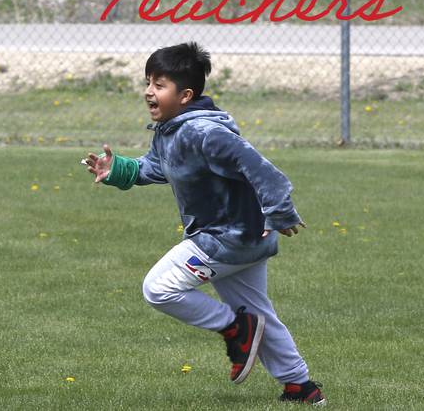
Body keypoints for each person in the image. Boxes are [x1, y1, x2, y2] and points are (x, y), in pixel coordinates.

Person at [82, 42, 326, 405]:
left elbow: (263, 171)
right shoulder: (172, 130)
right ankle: (301, 388)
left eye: (160, 84)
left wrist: (279, 211)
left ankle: (234, 328)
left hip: (225, 238)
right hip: (242, 239)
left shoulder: (203, 133)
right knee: (259, 313)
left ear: (186, 95)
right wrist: (117, 169)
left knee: (159, 288)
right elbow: (157, 167)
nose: (149, 91)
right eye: (148, 82)